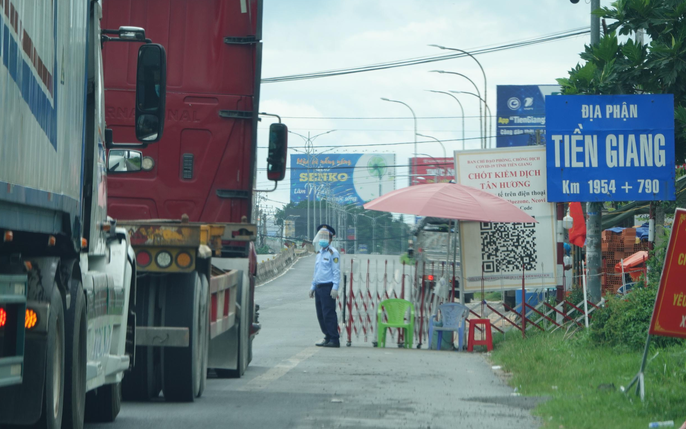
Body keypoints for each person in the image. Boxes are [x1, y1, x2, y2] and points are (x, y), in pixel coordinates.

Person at [309, 224, 341, 348]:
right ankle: (327, 336)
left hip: (328, 287)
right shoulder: (319, 253)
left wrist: (335, 287)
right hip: (319, 287)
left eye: (325, 236)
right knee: (321, 315)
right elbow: (316, 272)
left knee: (329, 314)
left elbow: (336, 271)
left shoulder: (333, 253)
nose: (322, 239)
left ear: (331, 239)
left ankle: (334, 338)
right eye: (321, 236)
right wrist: (312, 287)